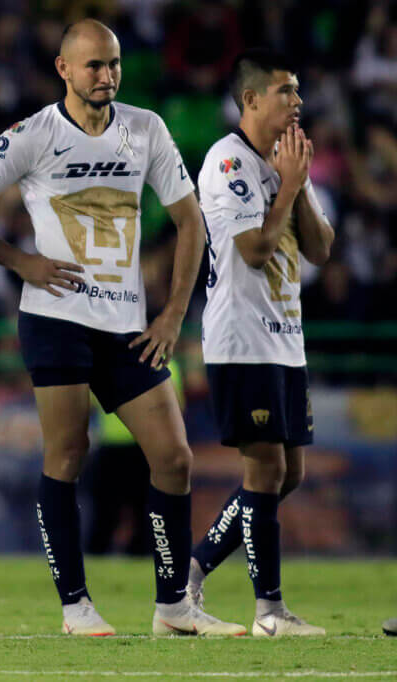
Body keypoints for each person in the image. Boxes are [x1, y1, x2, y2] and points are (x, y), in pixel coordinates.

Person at [0, 19, 245, 636]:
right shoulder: (32, 135)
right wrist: (20, 261)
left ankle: (173, 607)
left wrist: (171, 315)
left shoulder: (146, 128)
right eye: (94, 66)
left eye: (113, 64)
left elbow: (191, 224)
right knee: (68, 452)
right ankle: (75, 606)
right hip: (55, 319)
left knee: (174, 458)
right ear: (64, 69)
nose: (107, 75)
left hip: (128, 327)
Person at [189, 48, 333, 637]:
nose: (297, 102)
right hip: (241, 339)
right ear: (251, 99)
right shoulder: (228, 161)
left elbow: (321, 249)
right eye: (285, 91)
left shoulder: (284, 163)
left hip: (285, 341)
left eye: (298, 91)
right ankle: (269, 612)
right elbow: (254, 249)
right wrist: (287, 185)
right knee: (266, 471)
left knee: (287, 473)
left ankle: (192, 573)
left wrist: (296, 185)